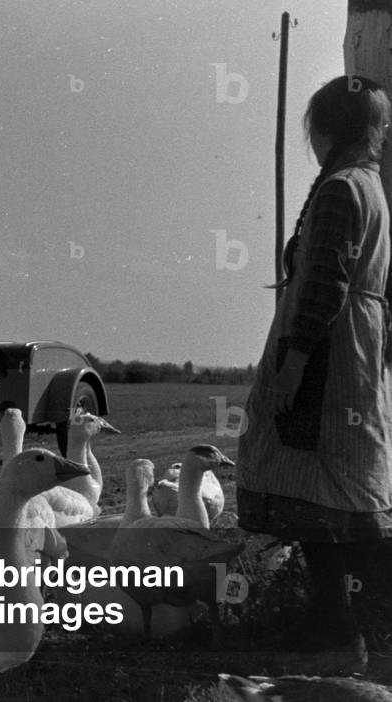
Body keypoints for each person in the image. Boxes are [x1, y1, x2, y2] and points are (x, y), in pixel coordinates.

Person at [237, 75, 392, 676]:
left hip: (327, 357)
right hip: (355, 354)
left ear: (323, 129)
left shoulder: (339, 191)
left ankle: (339, 634)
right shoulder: (372, 188)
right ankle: (343, 633)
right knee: (335, 501)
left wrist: (292, 366)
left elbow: (325, 281)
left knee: (321, 498)